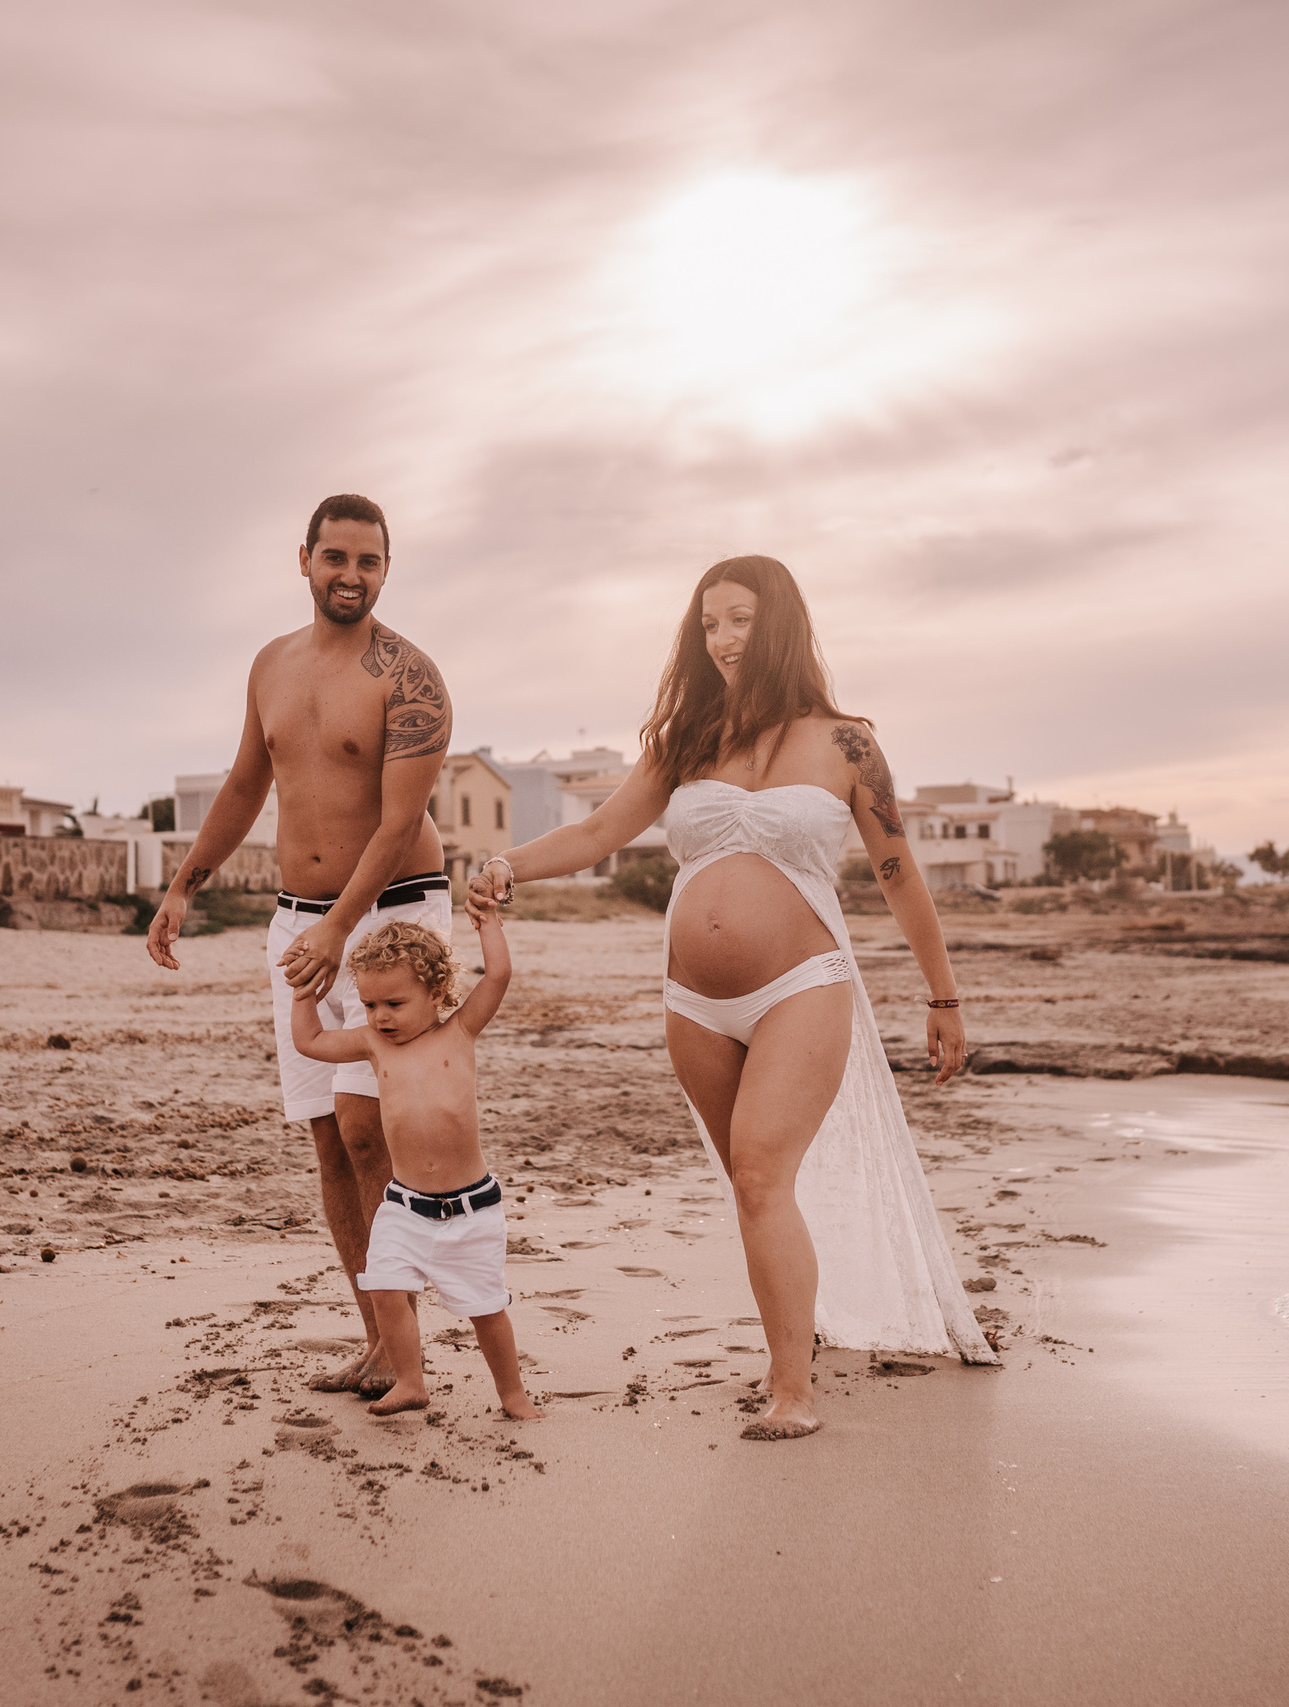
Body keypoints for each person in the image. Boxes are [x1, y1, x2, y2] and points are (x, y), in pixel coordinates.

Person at [466, 554, 993, 1442]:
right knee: (753, 1188)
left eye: (740, 618)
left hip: (804, 985)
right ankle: (790, 1347)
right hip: (693, 1003)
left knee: (758, 1168)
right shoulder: (683, 738)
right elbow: (601, 830)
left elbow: (901, 875)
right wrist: (509, 863)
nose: (722, 638)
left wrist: (943, 998)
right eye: (709, 623)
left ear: (778, 622)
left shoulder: (846, 742)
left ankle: (794, 1391)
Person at [146, 493, 452, 1399]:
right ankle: (377, 1338)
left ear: (386, 569)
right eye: (336, 558)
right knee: (327, 1137)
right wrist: (182, 885)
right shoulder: (270, 666)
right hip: (298, 922)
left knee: (369, 1129)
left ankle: (408, 1347)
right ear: (306, 560)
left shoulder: (412, 676)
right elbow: (246, 782)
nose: (350, 575)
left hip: (392, 912)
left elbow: (399, 825)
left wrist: (337, 925)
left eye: (369, 561)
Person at [291, 914, 540, 1422]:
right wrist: (302, 992)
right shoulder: (373, 1044)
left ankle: (513, 1394)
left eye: (394, 1004)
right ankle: (409, 1381)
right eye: (369, 1005)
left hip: (472, 1208)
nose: (380, 1016)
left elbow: (498, 976)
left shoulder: (461, 1031)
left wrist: (487, 921)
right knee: (383, 1286)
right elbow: (310, 1043)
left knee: (486, 1309)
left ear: (437, 991)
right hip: (404, 1206)